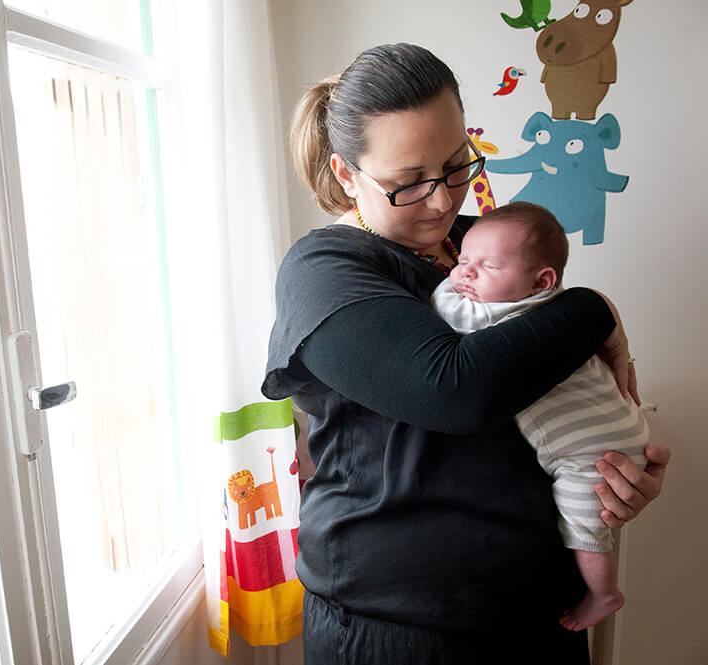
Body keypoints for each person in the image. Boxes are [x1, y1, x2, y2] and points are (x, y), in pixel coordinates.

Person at [261, 43, 670, 664]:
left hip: (540, 612)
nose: (442, 199)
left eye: (457, 165)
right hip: (398, 629)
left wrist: (612, 475)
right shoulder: (327, 270)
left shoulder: (479, 245)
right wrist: (595, 310)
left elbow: (547, 390)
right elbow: (456, 391)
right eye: (408, 182)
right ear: (347, 174)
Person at [432, 201, 649, 633]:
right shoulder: (557, 311)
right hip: (618, 426)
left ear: (541, 282)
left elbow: (447, 312)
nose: (467, 273)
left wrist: (447, 283)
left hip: (592, 451)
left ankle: (605, 595)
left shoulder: (500, 313)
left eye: (486, 266)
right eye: (462, 261)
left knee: (586, 527)